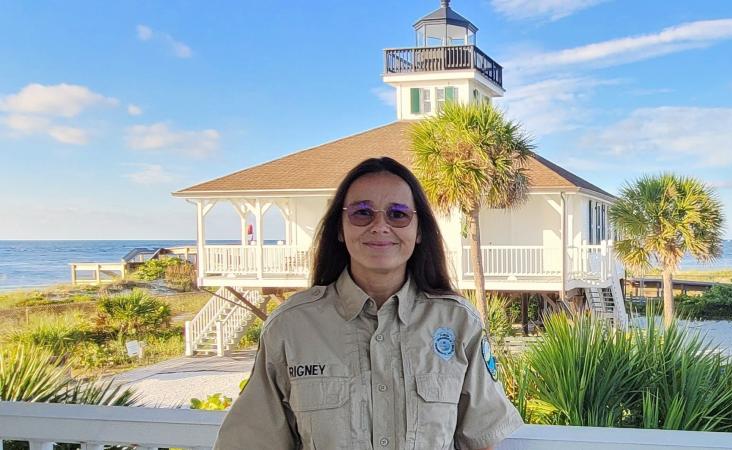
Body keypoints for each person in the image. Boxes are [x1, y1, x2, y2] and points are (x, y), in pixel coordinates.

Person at [214, 157, 522, 450]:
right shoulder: (291, 327)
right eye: (362, 212)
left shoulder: (459, 323)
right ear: (339, 228)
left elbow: (481, 440)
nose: (380, 225)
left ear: (418, 232)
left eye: (398, 214)